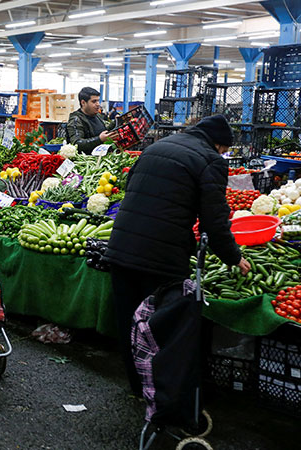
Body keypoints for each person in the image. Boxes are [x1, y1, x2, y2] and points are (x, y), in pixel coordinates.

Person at [102, 115, 251, 395]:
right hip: (161, 255)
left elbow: (130, 187)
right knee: (162, 325)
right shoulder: (211, 161)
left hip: (121, 246)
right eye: (225, 150)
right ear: (219, 145)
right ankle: (163, 395)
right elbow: (214, 223)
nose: (224, 155)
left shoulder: (157, 146)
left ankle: (138, 388)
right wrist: (233, 257)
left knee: (129, 322)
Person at [65, 87, 117, 154]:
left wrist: (116, 122)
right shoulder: (76, 119)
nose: (98, 104)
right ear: (83, 103)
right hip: (86, 160)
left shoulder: (97, 116)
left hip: (100, 157)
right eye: (94, 101)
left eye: (98, 101)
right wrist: (99, 139)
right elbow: (77, 143)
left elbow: (103, 132)